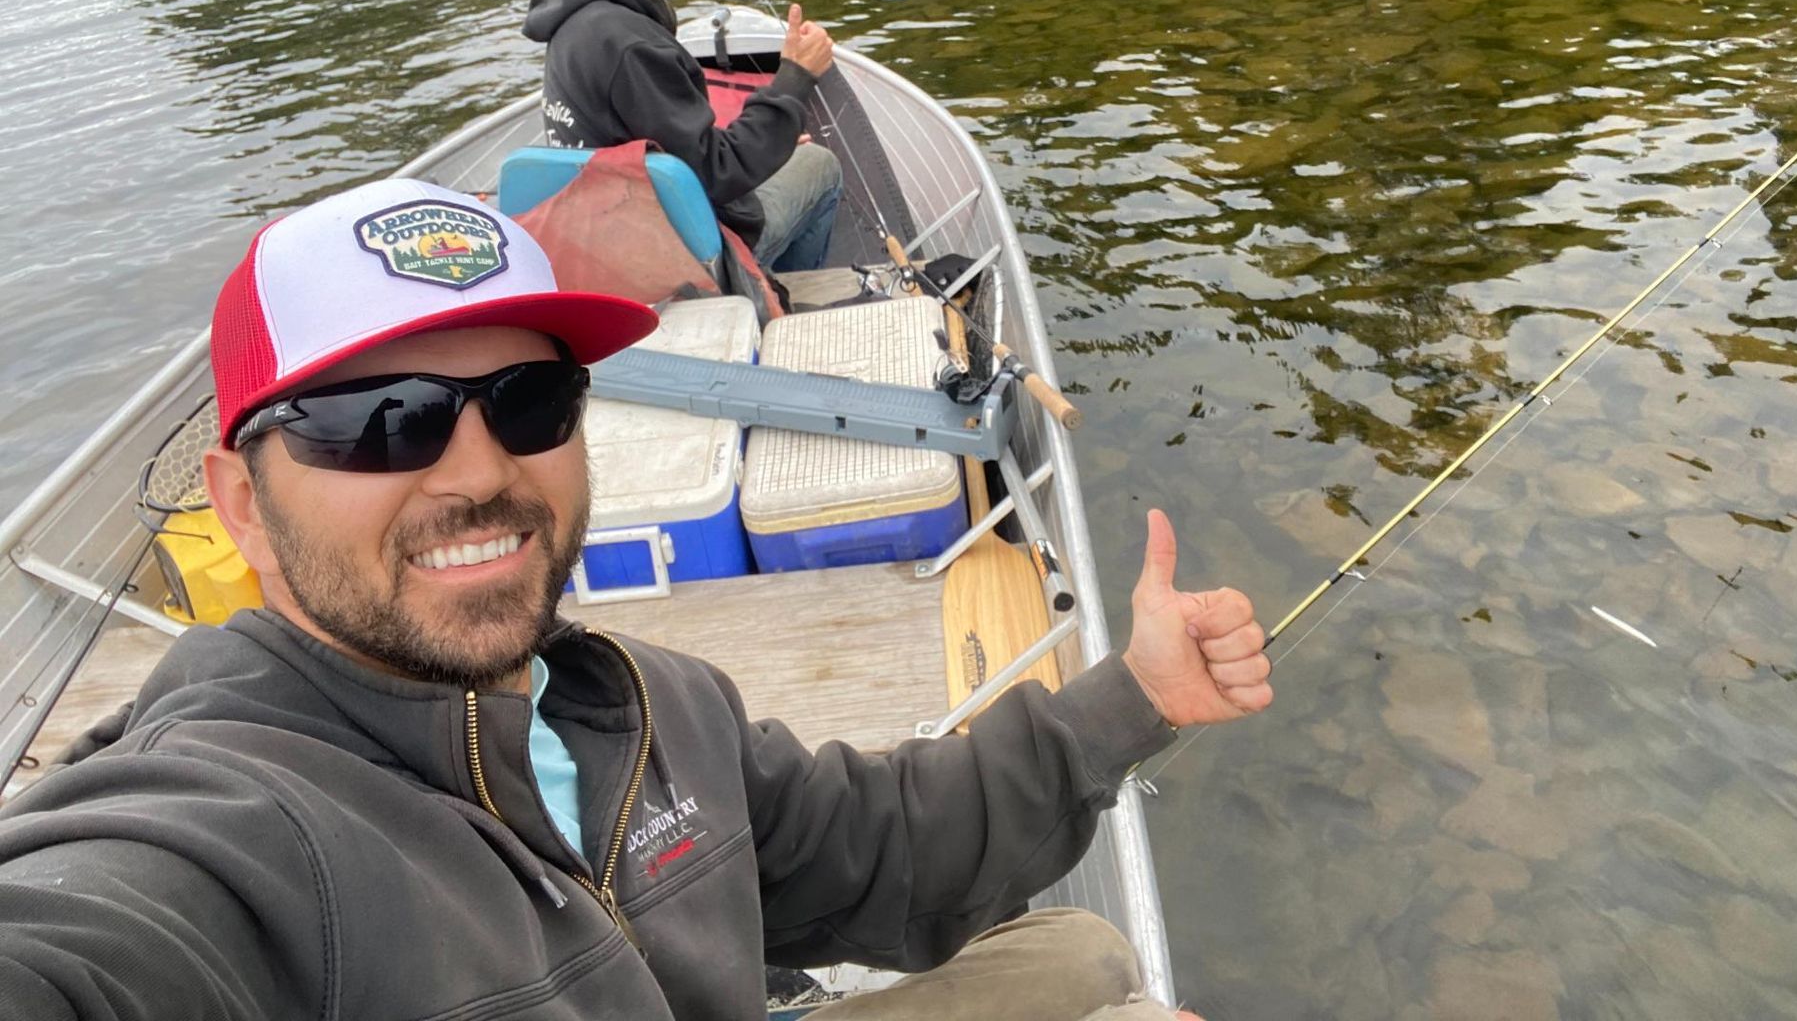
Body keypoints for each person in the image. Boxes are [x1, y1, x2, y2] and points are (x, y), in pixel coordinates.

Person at [0, 177, 1273, 1021]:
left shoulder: (647, 706)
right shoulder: (225, 827)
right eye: (380, 422)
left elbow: (878, 841)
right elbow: (88, 944)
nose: (481, 471)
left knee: (1089, 963)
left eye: (530, 402)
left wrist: (1132, 700)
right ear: (238, 499)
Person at [525, 0, 843, 273]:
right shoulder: (629, 42)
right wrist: (795, 77)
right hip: (682, 259)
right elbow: (716, 176)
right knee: (820, 166)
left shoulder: (573, 12)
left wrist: (763, 138)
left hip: (607, 233)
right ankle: (766, 297)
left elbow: (664, 140)